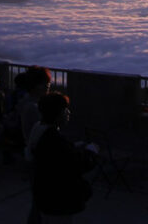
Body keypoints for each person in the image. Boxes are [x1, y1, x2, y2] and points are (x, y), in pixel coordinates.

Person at [29, 92, 97, 223]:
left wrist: (72, 146)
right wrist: (91, 152)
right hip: (57, 200)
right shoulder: (53, 139)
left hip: (45, 196)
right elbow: (77, 166)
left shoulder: (39, 129)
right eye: (65, 109)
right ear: (57, 113)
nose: (68, 112)